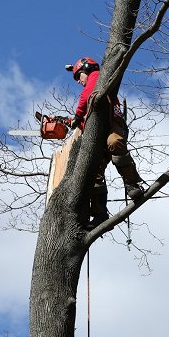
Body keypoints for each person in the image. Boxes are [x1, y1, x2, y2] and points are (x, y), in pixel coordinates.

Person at [65, 57, 145, 229]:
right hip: (98, 135)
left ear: (85, 70)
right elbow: (88, 119)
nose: (79, 81)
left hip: (111, 125)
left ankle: (132, 185)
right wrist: (74, 121)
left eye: (79, 77)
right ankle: (100, 214)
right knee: (95, 172)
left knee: (115, 143)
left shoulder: (96, 76)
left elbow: (88, 96)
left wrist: (78, 114)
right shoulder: (91, 92)